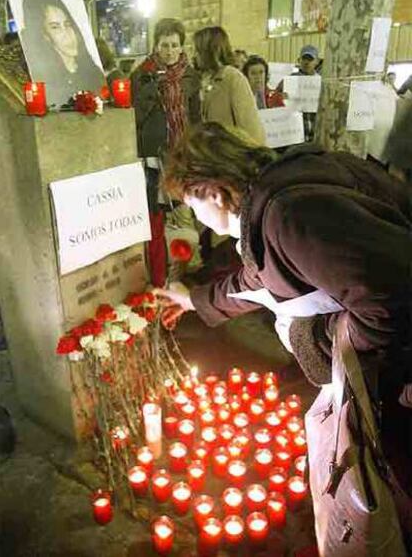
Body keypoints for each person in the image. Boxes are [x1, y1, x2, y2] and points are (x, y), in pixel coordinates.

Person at [157, 123, 412, 525]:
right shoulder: (276, 195)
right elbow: (257, 277)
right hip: (394, 364)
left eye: (193, 205)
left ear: (213, 192)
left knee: (393, 487)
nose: (199, 218)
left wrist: (322, 341)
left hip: (401, 377)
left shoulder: (289, 214)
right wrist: (194, 300)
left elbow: (391, 305)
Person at [130, 18, 201, 287]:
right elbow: (135, 117)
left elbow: (195, 115)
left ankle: (183, 269)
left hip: (183, 153)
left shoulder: (190, 76)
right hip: (153, 155)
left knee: (184, 210)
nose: (169, 51)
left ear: (182, 47)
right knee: (157, 215)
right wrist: (152, 88)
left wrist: (197, 146)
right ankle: (158, 272)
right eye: (164, 45)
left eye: (174, 45)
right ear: (156, 46)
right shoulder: (142, 74)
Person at [21, 0, 105, 106]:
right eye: (55, 27)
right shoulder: (43, 79)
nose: (67, 34)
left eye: (68, 24)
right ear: (44, 35)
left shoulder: (93, 72)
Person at [193, 26, 265, 145]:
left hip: (231, 157)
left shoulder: (233, 78)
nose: (194, 55)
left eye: (197, 50)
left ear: (209, 51)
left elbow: (251, 129)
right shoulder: (202, 79)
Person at [278, 44, 320, 142]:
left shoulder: (321, 82)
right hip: (295, 131)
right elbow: (275, 99)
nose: (306, 62)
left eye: (310, 59)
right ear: (299, 60)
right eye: (304, 58)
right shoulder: (289, 80)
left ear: (317, 62)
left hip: (315, 130)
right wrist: (282, 97)